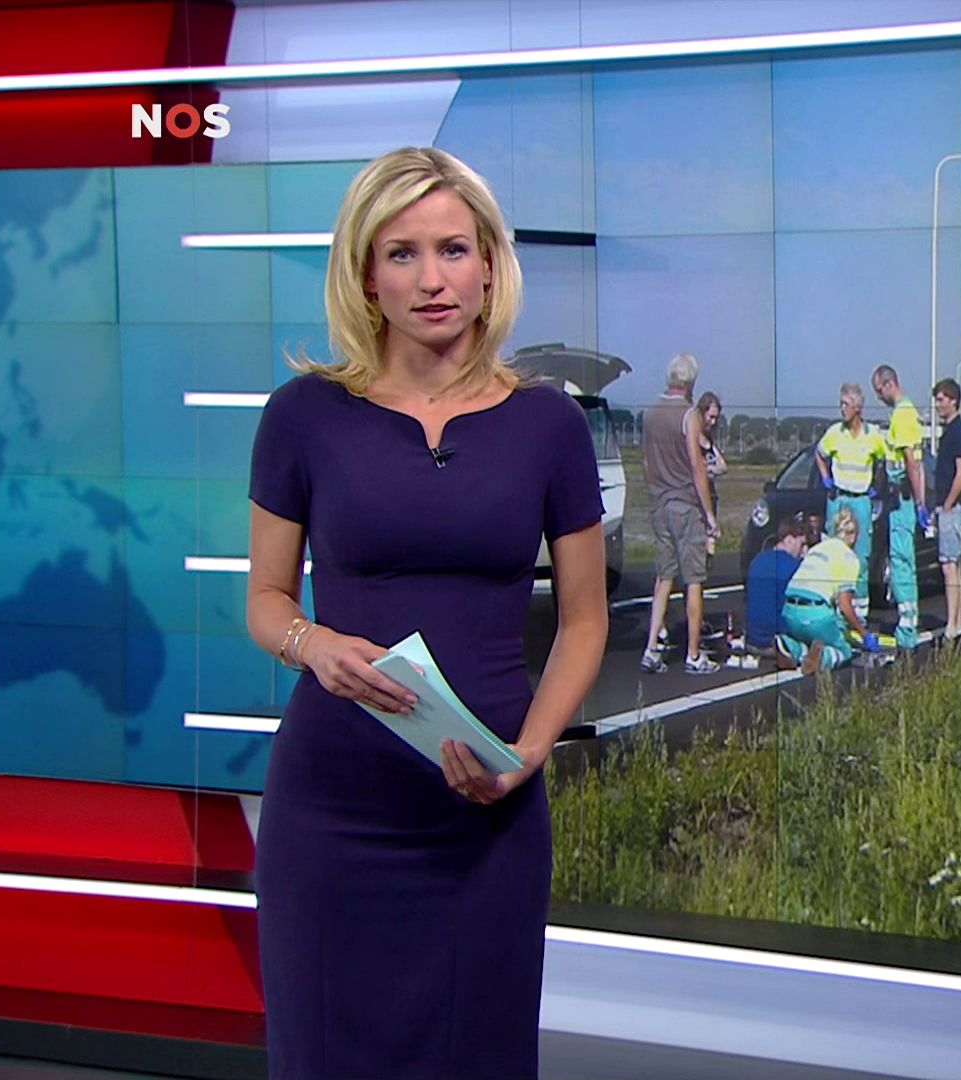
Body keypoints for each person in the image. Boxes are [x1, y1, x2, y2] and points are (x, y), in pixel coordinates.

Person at [246, 146, 607, 1079]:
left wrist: (527, 753)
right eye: (401, 253)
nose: (432, 279)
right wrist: (314, 645)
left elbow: (584, 622)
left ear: (489, 265)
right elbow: (267, 600)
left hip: (484, 813)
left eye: (453, 249)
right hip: (334, 811)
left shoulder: (550, 426)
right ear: (366, 274)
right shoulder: (302, 416)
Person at [641, 353, 722, 674]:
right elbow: (697, 467)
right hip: (685, 506)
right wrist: (710, 515)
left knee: (664, 577)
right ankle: (693, 654)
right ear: (691, 382)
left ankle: (651, 647)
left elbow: (646, 462)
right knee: (694, 580)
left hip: (659, 503)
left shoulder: (650, 414)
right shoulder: (688, 416)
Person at [778, 506, 884, 673]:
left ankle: (791, 648)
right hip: (816, 614)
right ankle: (824, 658)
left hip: (789, 610)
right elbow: (845, 605)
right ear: (854, 536)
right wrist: (864, 633)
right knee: (844, 650)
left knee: (808, 639)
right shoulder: (849, 558)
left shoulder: (817, 549)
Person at [814, 382, 887, 620]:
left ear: (858, 407)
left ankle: (860, 612)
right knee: (834, 554)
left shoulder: (872, 435)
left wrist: (877, 484)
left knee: (860, 558)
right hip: (839, 499)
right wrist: (826, 477)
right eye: (841, 404)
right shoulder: (835, 432)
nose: (842, 409)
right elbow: (819, 453)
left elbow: (883, 460)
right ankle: (835, 610)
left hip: (861, 500)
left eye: (846, 404)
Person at [872, 364, 926, 650]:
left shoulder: (902, 415)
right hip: (901, 497)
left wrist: (919, 502)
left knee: (901, 561)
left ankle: (907, 626)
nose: (878, 397)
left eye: (879, 391)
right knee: (904, 560)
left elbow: (911, 462)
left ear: (888, 384)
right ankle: (908, 621)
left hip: (902, 497)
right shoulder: (906, 412)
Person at [929, 378, 961, 642]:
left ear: (953, 400)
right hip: (949, 505)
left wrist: (947, 504)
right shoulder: (951, 430)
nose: (938, 405)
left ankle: (953, 625)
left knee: (949, 566)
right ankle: (956, 621)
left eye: (942, 400)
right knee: (954, 565)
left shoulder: (957, 430)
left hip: (952, 507)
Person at [743, 513, 808, 664]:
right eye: (801, 544)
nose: (803, 550)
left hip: (752, 639)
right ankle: (793, 650)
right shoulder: (795, 567)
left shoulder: (757, 561)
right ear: (789, 539)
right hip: (776, 638)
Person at [695, 391, 726, 569]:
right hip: (696, 500)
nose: (713, 422)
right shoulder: (692, 439)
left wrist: (710, 469)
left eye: (716, 418)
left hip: (711, 496)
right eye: (711, 417)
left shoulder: (709, 441)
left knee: (710, 543)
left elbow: (722, 466)